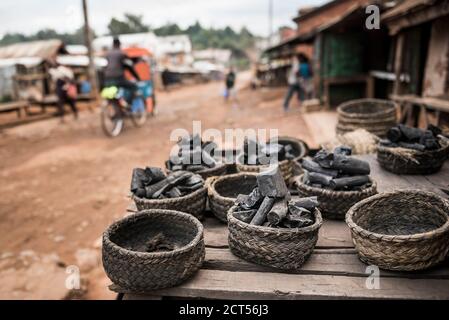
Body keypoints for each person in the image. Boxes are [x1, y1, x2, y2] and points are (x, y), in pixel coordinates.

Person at [103, 37, 140, 102]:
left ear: (113, 44)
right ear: (119, 44)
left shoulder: (108, 54)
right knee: (134, 87)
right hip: (119, 78)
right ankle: (128, 102)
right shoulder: (122, 53)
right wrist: (137, 77)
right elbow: (130, 65)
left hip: (107, 79)